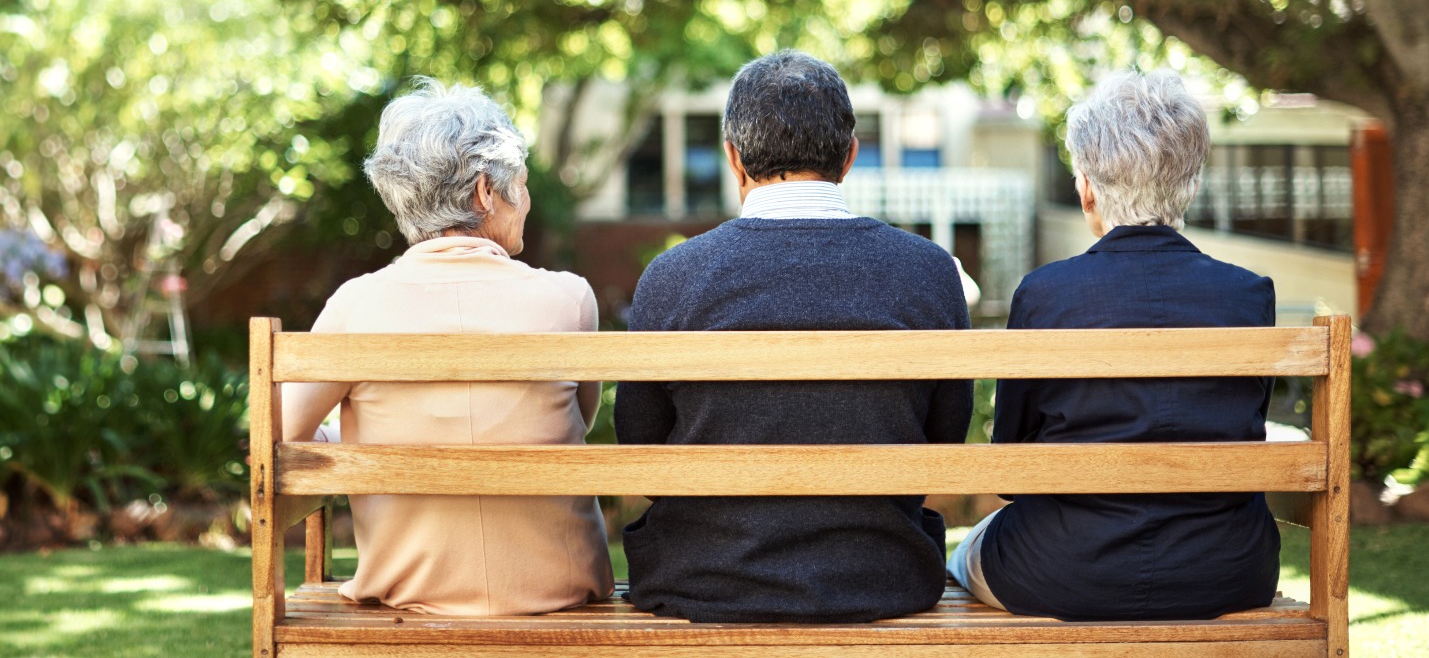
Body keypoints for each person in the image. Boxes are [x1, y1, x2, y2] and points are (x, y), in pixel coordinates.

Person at [616, 49, 973, 624]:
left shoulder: (672, 278)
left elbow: (642, 451)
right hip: (884, 575)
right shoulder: (927, 271)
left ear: (733, 158)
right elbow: (943, 443)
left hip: (703, 578)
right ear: (850, 156)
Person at [947, 69, 1280, 621]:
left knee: (963, 554)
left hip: (1062, 568)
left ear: (1086, 189)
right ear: (1190, 184)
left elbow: (1012, 469)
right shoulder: (1247, 295)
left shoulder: (1047, 295)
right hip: (1227, 569)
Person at [280, 79, 613, 616]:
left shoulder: (355, 306)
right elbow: (577, 419)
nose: (524, 201)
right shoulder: (568, 300)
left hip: (408, 593)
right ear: (486, 192)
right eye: (521, 185)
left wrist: (353, 433)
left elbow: (279, 440)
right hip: (559, 590)